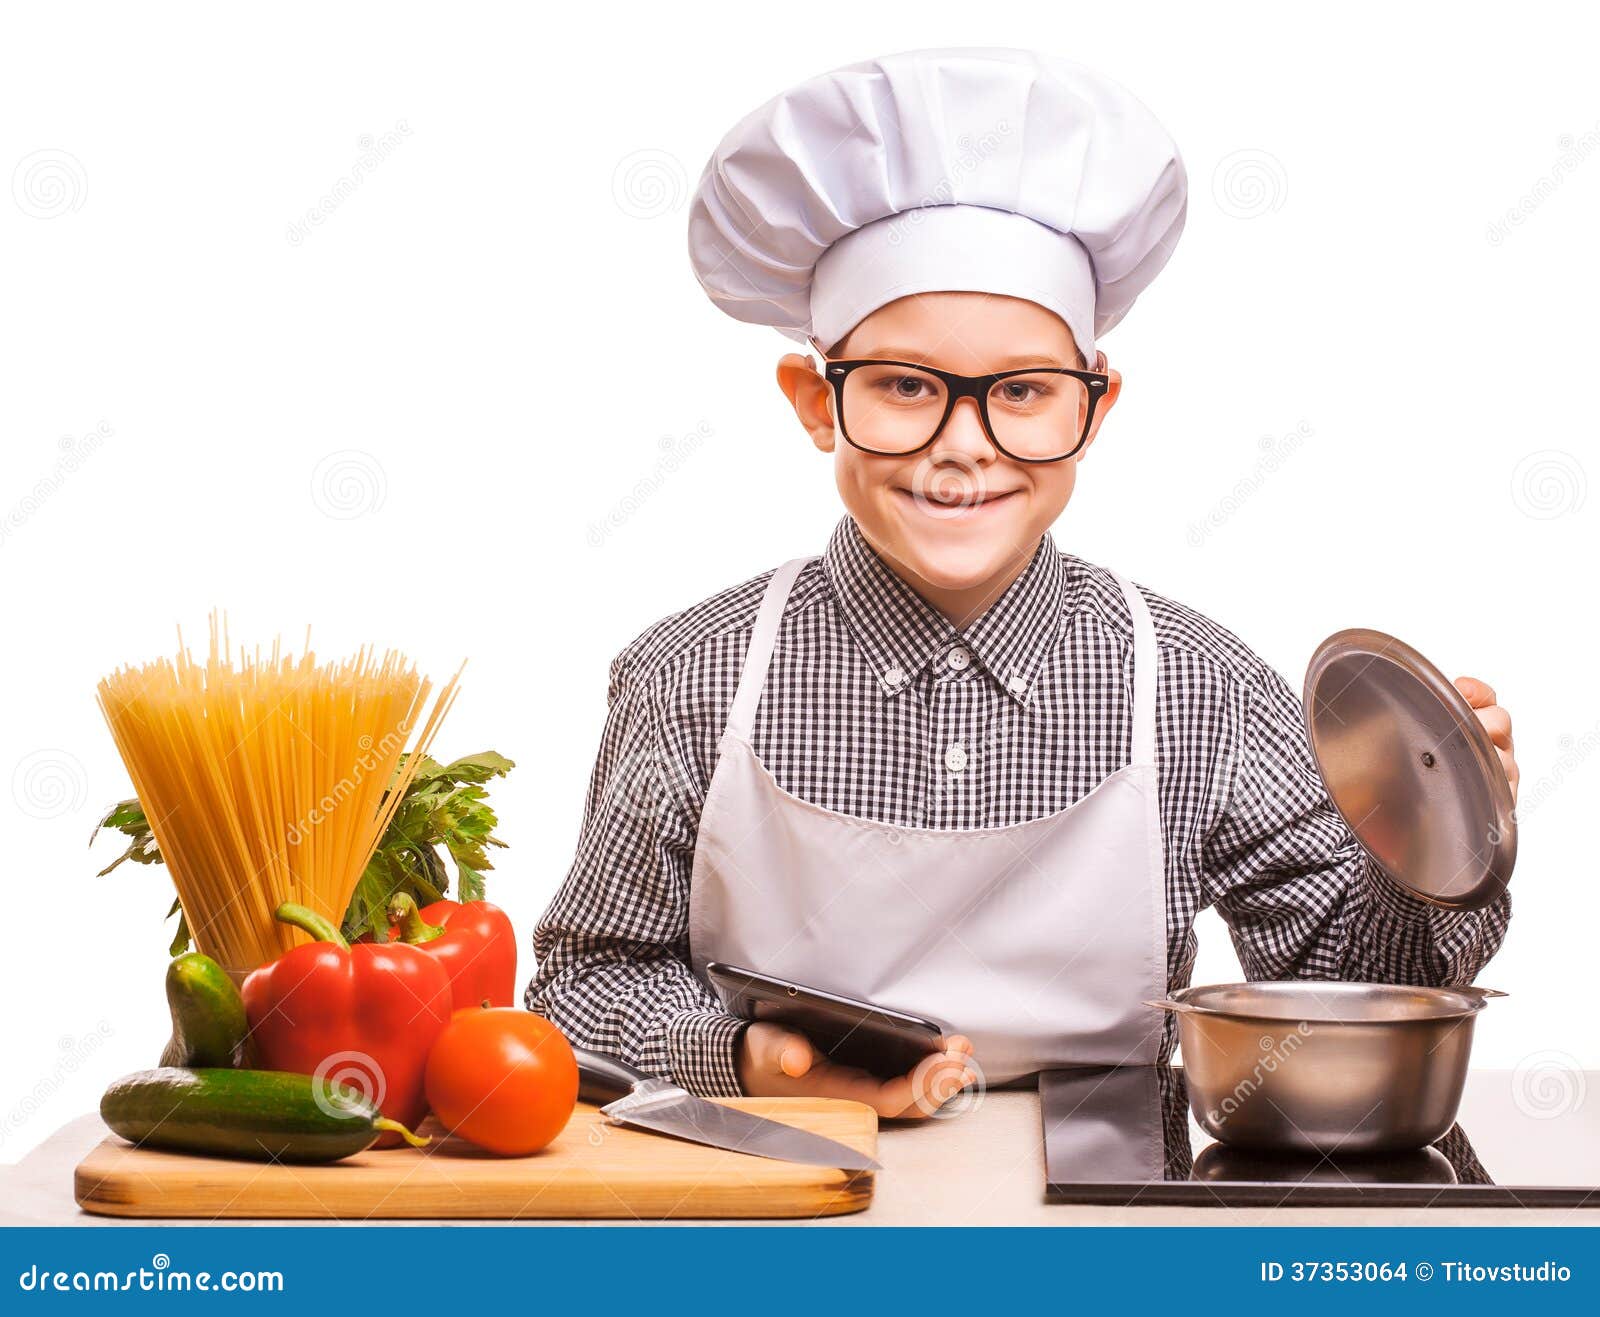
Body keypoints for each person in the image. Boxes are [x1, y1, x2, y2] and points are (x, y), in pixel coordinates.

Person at [528, 49, 1519, 1118]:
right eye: (904, 386)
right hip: (795, 1192)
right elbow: (581, 991)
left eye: (1023, 392)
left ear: (1094, 407)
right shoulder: (695, 677)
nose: (964, 447)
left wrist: (1435, 844)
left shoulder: (1199, 687)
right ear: (814, 400)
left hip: (1095, 1226)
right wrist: (745, 1058)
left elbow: (1342, 991)